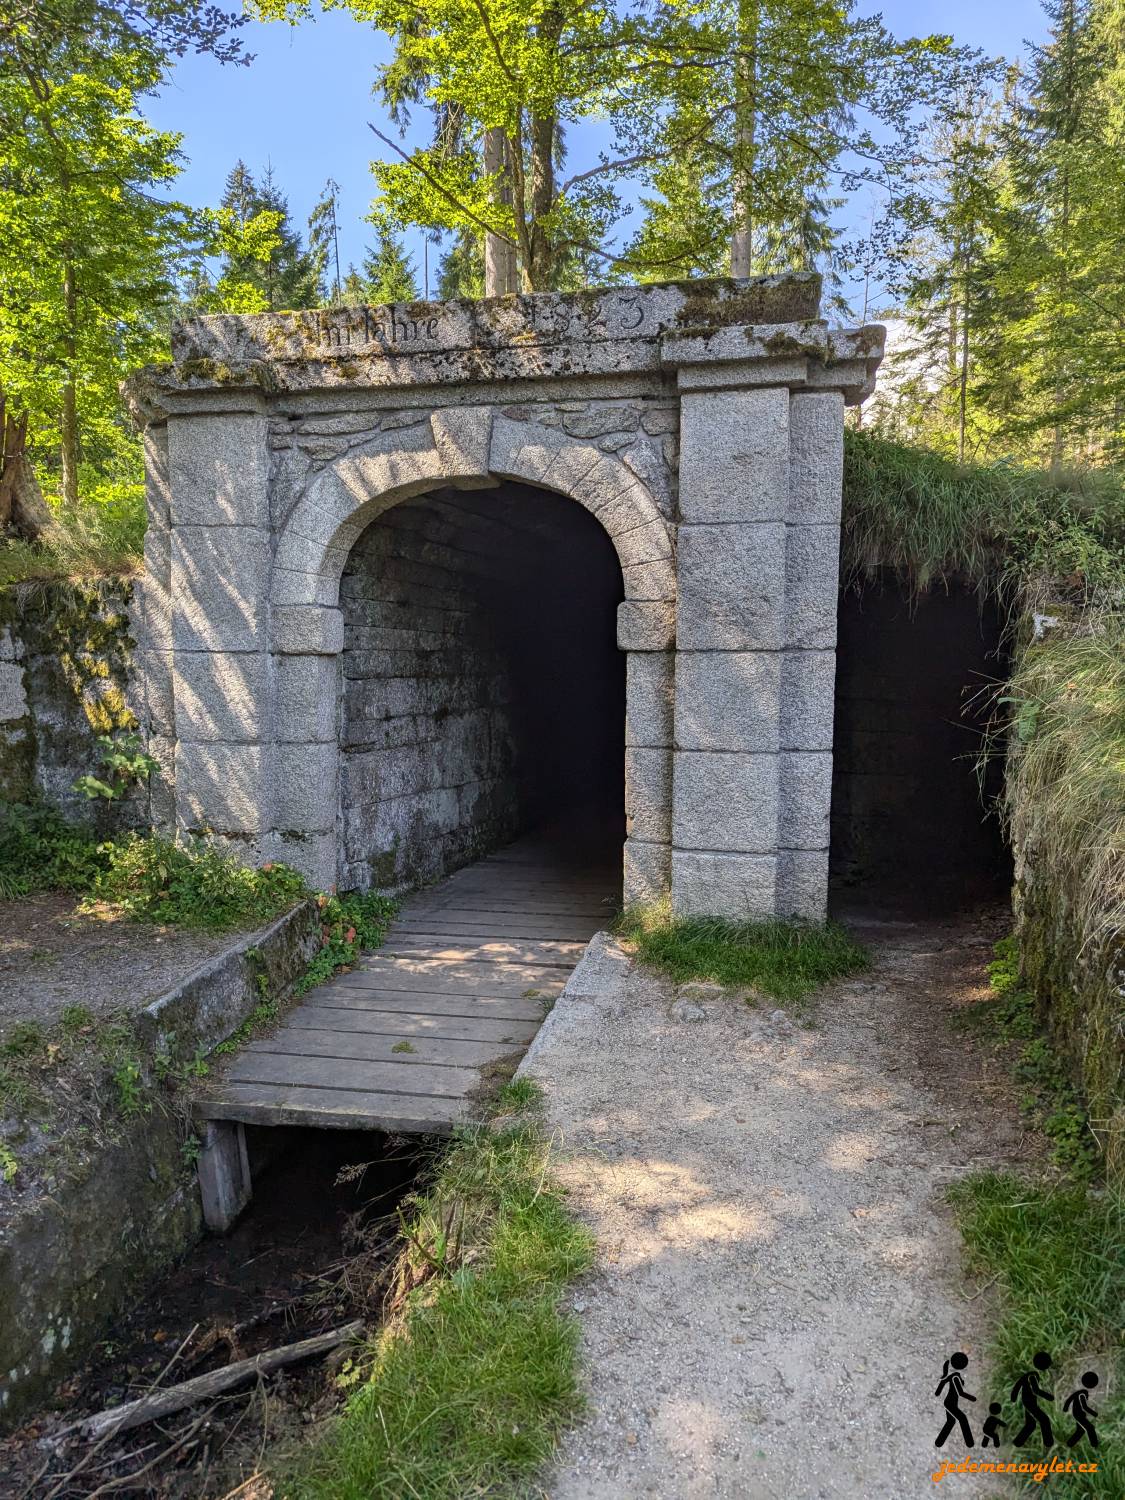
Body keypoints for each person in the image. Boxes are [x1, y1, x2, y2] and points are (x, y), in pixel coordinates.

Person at [1011, 1352, 1054, 1447]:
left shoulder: (1029, 1374)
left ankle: (1018, 1442)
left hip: (1027, 1401)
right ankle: (1048, 1443)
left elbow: (1018, 1385)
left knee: (1031, 1424)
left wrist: (1013, 1398)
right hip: (1029, 1402)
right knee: (1044, 1419)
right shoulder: (1033, 1376)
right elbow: (1036, 1390)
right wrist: (1049, 1397)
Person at [935, 1353, 976, 1448]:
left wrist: (938, 1391)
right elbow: (961, 1393)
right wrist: (972, 1398)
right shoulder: (955, 1377)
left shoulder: (952, 1376)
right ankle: (969, 1442)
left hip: (949, 1402)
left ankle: (939, 1441)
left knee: (951, 1421)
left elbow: (941, 1385)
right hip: (950, 1403)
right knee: (963, 1418)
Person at [1063, 1372, 1099, 1448]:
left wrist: (1065, 1408)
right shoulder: (1082, 1394)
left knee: (1080, 1430)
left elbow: (1070, 1399)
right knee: (1090, 1428)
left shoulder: (1078, 1393)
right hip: (1078, 1414)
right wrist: (1095, 1414)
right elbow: (1085, 1407)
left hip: (1077, 1414)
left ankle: (1069, 1444)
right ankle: (1095, 1446)